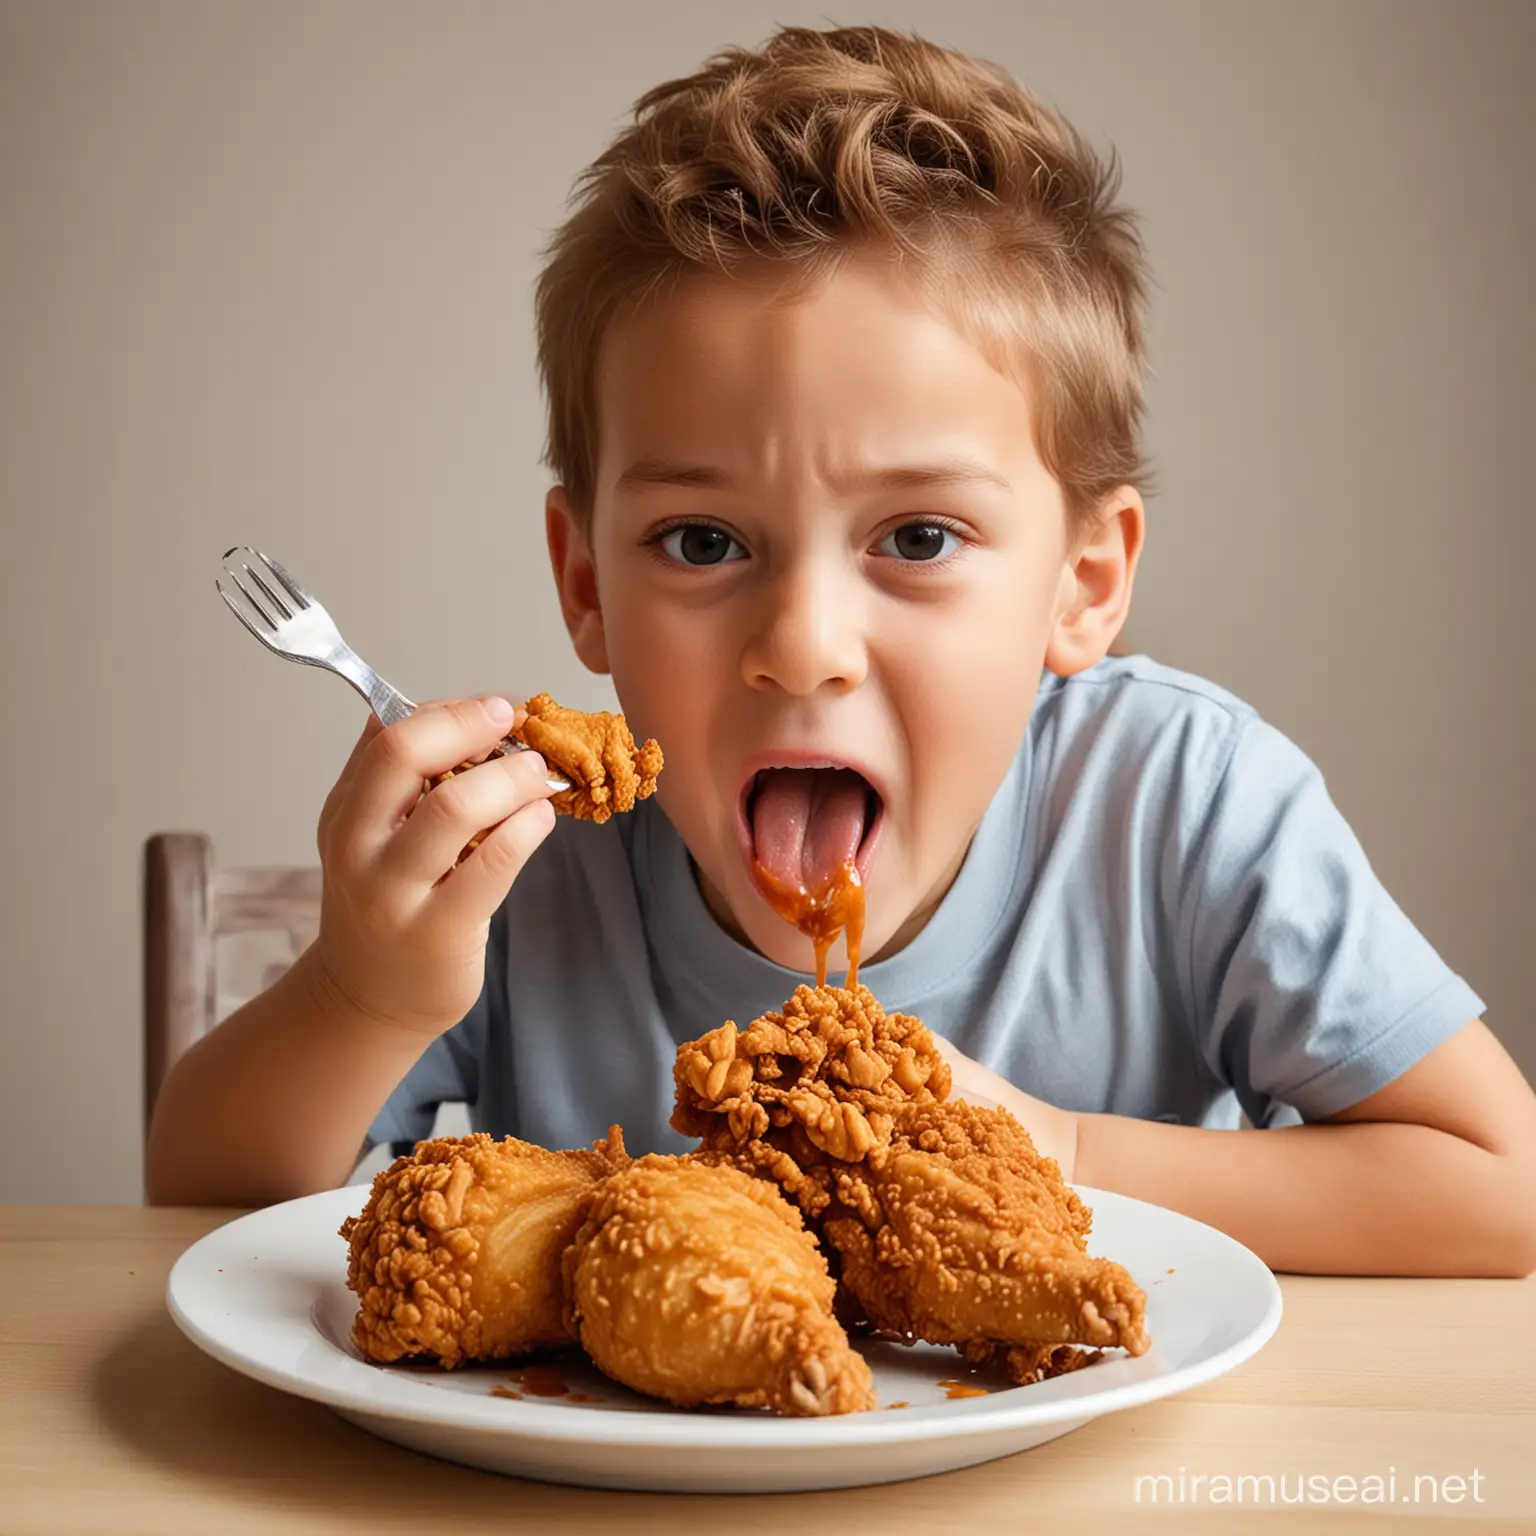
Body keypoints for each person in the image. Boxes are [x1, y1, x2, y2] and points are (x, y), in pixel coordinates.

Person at [147, 24, 1536, 1276]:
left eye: (918, 540)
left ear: (1084, 582)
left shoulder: (1180, 807)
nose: (802, 648)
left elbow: (1504, 1190)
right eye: (703, 543)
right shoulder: (528, 869)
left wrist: (1067, 1154)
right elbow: (192, 1205)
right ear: (586, 583)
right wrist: (360, 993)